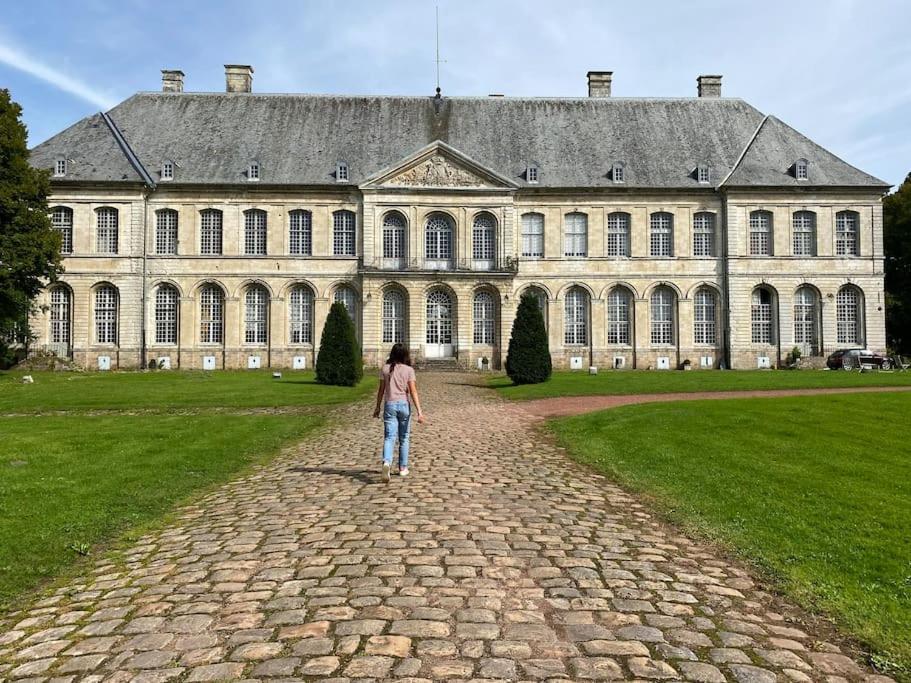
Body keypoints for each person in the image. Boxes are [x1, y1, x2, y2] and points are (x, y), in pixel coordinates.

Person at [373, 343, 425, 482]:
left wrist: (377, 407)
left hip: (389, 405)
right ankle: (403, 468)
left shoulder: (385, 369)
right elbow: (413, 391)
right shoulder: (409, 370)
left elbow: (381, 391)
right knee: (404, 438)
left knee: (389, 437)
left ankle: (387, 462)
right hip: (403, 406)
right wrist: (419, 411)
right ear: (405, 355)